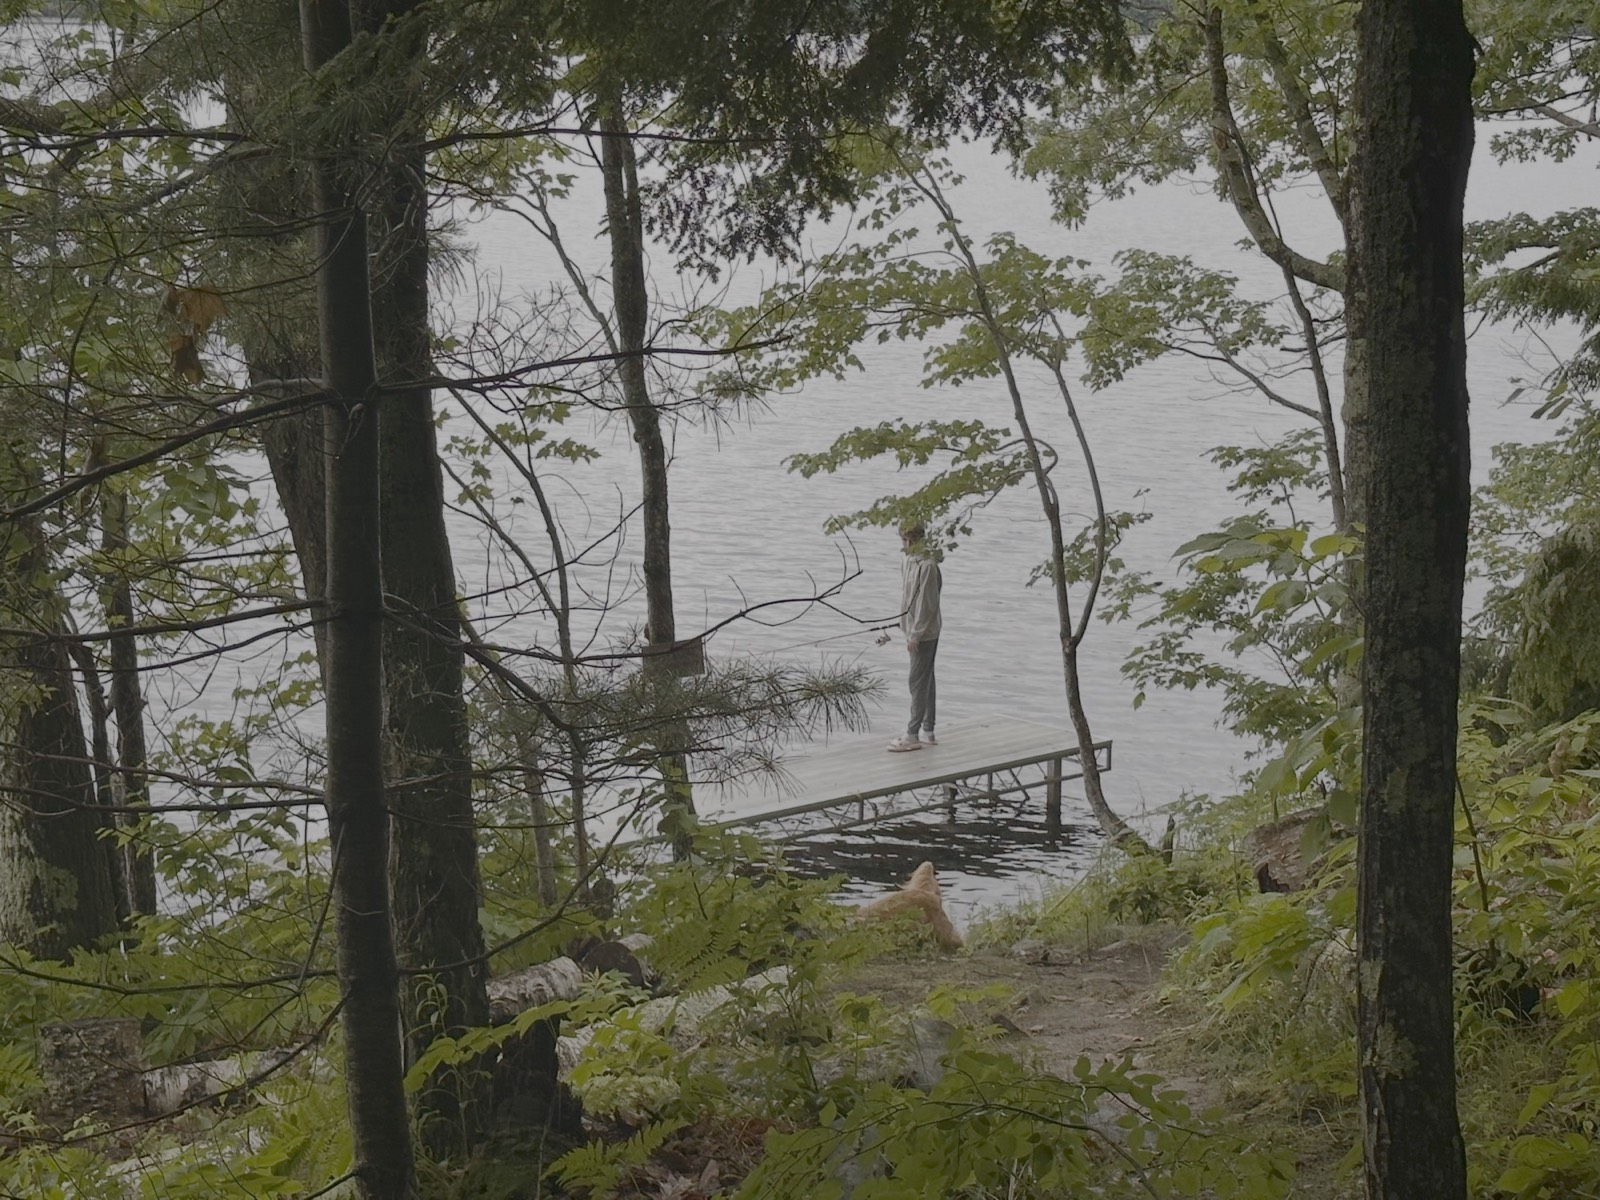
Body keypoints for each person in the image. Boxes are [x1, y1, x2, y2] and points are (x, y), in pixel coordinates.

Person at [888, 523, 941, 752]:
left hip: (924, 633)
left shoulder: (928, 566)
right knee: (925, 677)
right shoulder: (907, 562)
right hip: (911, 629)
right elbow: (908, 596)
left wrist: (916, 634)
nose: (906, 545)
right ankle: (928, 730)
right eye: (904, 540)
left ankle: (912, 733)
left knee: (917, 680)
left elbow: (926, 605)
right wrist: (904, 625)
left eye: (910, 540)